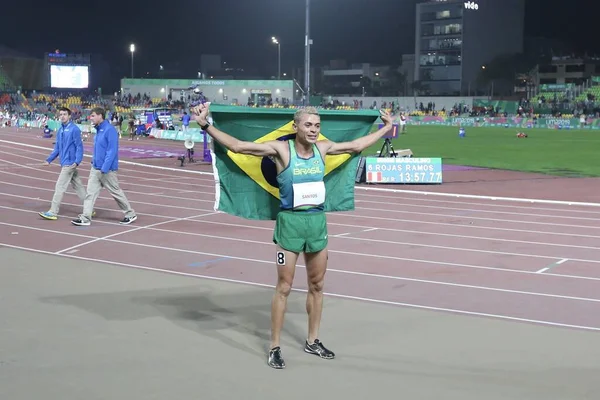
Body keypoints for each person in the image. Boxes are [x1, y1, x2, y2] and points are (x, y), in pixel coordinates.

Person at [191, 103, 393, 369]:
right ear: (295, 126)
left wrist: (386, 128)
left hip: (317, 224)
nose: (313, 130)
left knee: (317, 286)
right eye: (308, 125)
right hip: (290, 225)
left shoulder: (323, 148)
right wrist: (205, 125)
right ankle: (274, 346)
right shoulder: (280, 150)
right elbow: (239, 146)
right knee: (284, 287)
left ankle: (313, 340)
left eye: (317, 126)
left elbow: (356, 146)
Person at [71, 107, 138, 226]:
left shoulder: (109, 130)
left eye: (92, 116)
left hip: (106, 170)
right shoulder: (98, 131)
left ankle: (130, 214)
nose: (90, 118)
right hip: (95, 168)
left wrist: (105, 167)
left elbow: (112, 151)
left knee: (115, 192)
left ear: (100, 116)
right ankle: (85, 218)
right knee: (90, 194)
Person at [39, 107, 87, 221]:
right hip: (65, 162)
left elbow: (79, 146)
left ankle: (53, 211)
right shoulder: (60, 130)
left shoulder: (74, 129)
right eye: (60, 114)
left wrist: (77, 161)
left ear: (69, 116)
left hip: (70, 163)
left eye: (65, 114)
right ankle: (88, 208)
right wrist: (49, 160)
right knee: (78, 187)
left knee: (59, 187)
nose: (62, 116)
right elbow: (57, 148)